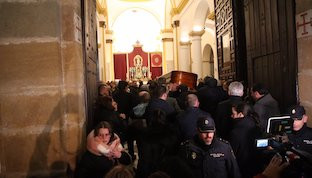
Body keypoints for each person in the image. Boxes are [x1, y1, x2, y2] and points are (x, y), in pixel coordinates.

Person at [230, 103, 263, 178]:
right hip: (257, 168)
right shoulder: (257, 127)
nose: (231, 116)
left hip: (242, 170)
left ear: (240, 114)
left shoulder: (235, 132)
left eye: (233, 114)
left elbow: (232, 154)